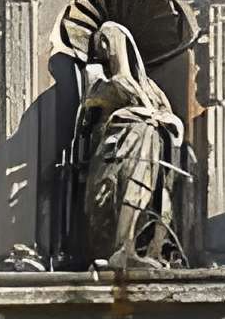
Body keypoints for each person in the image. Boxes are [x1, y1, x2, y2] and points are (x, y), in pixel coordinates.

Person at [78, 20, 186, 270]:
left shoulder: (150, 87)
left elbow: (169, 119)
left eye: (107, 42)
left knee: (146, 133)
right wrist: (143, 116)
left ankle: (149, 246)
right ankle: (121, 245)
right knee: (142, 131)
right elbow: (91, 117)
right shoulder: (100, 82)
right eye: (100, 44)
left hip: (151, 159)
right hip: (114, 155)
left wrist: (157, 119)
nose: (104, 49)